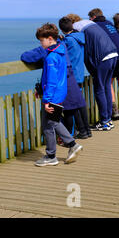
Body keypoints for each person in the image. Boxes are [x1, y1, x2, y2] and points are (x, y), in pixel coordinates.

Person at [32, 24, 83, 167]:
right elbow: (51, 78)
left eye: (41, 40)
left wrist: (46, 100)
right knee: (51, 123)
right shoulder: (60, 50)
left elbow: (52, 81)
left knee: (50, 124)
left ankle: (58, 152)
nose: (40, 43)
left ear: (49, 39)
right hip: (59, 93)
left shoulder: (51, 58)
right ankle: (57, 151)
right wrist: (41, 90)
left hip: (52, 96)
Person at [74, 13, 118, 131]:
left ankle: (104, 121)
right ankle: (108, 120)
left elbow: (77, 41)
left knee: (99, 89)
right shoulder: (91, 24)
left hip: (103, 57)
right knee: (107, 87)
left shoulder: (76, 27)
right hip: (113, 53)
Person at [89, 8, 119, 122]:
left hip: (114, 53)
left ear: (93, 17)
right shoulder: (108, 23)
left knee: (109, 82)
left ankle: (114, 110)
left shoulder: (95, 26)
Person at [58, 16, 91, 139]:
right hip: (79, 73)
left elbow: (60, 49)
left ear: (61, 29)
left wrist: (60, 39)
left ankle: (81, 131)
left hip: (71, 76)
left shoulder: (68, 41)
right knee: (80, 104)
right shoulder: (79, 37)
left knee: (73, 106)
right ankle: (86, 130)